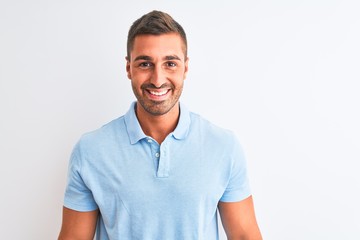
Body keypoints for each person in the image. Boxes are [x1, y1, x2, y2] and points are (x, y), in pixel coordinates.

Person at [58, 10, 262, 240]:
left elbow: (245, 235)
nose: (157, 79)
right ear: (129, 68)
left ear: (185, 68)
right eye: (145, 64)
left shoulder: (224, 146)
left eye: (170, 63)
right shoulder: (91, 150)